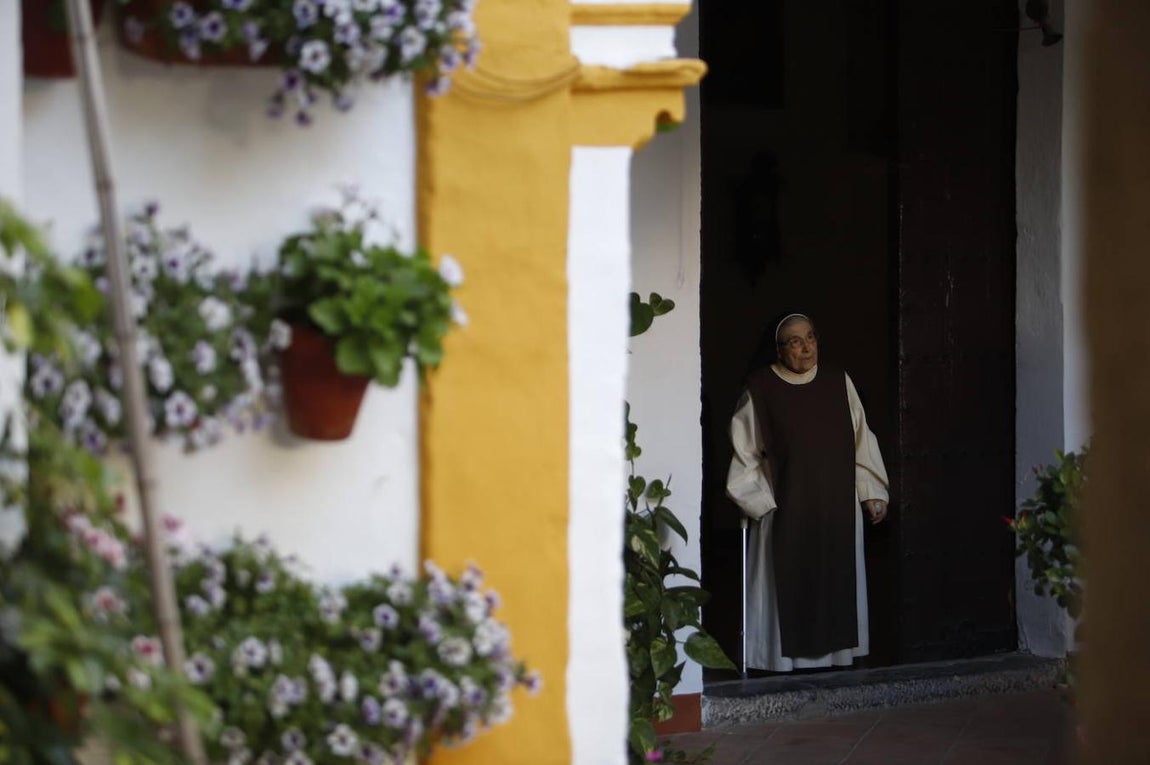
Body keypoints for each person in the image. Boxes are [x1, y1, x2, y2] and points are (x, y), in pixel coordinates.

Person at [726, 313, 889, 671]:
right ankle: (781, 661)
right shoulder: (760, 388)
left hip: (836, 507)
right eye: (795, 341)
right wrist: (759, 502)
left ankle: (836, 655)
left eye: (811, 338)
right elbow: (744, 455)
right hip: (785, 508)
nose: (806, 347)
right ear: (779, 349)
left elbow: (862, 439)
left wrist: (871, 490)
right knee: (788, 586)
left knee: (835, 580)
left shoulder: (837, 381)